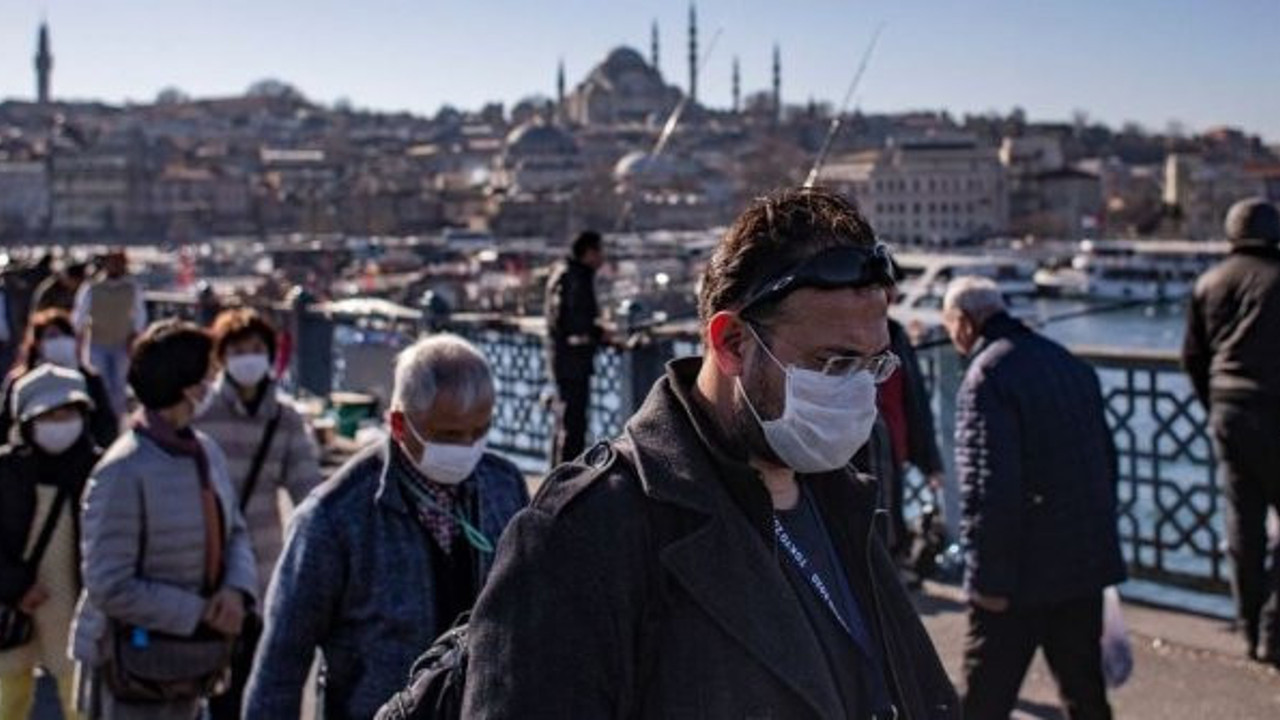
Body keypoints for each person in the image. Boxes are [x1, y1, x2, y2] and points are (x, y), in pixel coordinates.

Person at [463, 188, 958, 719]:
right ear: (731, 344)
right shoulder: (583, 537)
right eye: (833, 364)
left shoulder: (843, 495)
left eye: (872, 366)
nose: (858, 391)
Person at [244, 335, 529, 719]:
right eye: (449, 435)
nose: (468, 447)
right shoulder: (334, 517)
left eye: (480, 431)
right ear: (399, 423)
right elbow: (281, 664)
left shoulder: (503, 486)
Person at [942, 276, 1126, 720]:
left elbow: (988, 487)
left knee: (983, 699)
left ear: (965, 322)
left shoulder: (987, 376)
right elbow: (1106, 463)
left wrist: (986, 580)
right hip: (1082, 565)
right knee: (1085, 693)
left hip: (1018, 576)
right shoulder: (1069, 364)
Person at [71, 320, 257, 719]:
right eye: (208, 374)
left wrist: (236, 590)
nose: (213, 382)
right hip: (133, 669)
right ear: (188, 387)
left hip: (196, 662)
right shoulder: (122, 470)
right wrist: (199, 611)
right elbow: (109, 583)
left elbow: (235, 531)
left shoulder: (205, 452)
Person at [195, 308, 322, 719]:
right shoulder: (199, 415)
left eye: (256, 348)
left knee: (253, 685)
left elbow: (309, 493)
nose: (248, 357)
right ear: (221, 357)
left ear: (270, 354)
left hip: (263, 572)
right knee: (206, 686)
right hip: (203, 571)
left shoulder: (284, 419)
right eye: (237, 349)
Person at [1182, 197, 1280, 666]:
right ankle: (1273, 628)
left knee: (1244, 524)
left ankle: (1248, 626)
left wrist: (1215, 402)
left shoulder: (1210, 282)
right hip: (1272, 407)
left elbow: (1193, 357)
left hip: (1229, 410)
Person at [0, 365, 102, 720]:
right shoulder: (6, 471)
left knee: (80, 703)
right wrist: (16, 587)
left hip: (74, 605)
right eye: (49, 416)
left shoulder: (100, 470)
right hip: (13, 609)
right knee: (8, 700)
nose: (61, 423)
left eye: (68, 414)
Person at [876, 313, 946, 560]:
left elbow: (914, 399)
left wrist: (930, 463)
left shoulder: (895, 333)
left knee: (891, 520)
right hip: (868, 451)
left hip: (893, 449)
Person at [0, 308, 119, 448]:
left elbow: (106, 425)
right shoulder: (19, 382)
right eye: (52, 336)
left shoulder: (90, 379)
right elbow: (5, 426)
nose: (60, 341)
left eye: (66, 336)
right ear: (37, 343)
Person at [544, 230, 607, 465]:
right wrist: (597, 332)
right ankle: (566, 482)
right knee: (573, 424)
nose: (603, 258)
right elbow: (570, 322)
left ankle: (557, 476)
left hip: (565, 360)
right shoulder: (575, 278)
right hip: (572, 362)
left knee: (565, 422)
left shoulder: (565, 273)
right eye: (600, 251)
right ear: (589, 252)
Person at [73, 249, 148, 418]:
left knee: (120, 387)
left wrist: (135, 336)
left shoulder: (132, 288)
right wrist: (78, 340)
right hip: (97, 343)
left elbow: (140, 315)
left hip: (123, 344)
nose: (116, 266)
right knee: (101, 384)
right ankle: (103, 420)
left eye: (119, 262)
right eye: (112, 262)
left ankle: (117, 422)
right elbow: (79, 316)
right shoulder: (92, 288)